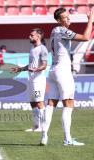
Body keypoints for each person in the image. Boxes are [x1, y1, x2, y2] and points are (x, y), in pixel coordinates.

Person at [40, 8, 94, 146]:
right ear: (59, 20)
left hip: (53, 70)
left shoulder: (54, 30)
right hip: (63, 71)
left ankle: (44, 136)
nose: (68, 19)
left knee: (51, 103)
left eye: (68, 16)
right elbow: (86, 37)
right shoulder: (61, 30)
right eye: (65, 17)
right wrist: (90, 21)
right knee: (68, 103)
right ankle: (68, 139)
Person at [11, 28, 48, 132]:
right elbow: (31, 65)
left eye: (32, 35)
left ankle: (42, 127)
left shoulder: (43, 49)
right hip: (31, 78)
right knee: (32, 102)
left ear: (38, 36)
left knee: (39, 102)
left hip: (38, 79)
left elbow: (44, 65)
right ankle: (36, 126)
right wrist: (20, 69)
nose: (29, 36)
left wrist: (37, 69)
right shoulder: (32, 48)